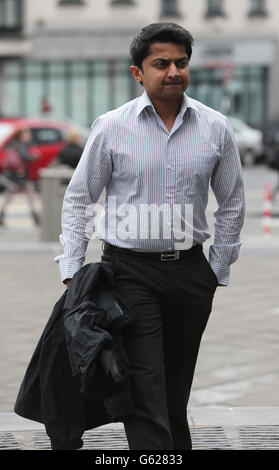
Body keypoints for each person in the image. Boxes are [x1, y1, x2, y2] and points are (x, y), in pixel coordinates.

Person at [55, 23, 245, 450]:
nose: (173, 71)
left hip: (192, 274)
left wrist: (215, 268)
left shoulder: (215, 127)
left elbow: (232, 201)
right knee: (145, 383)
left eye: (181, 62)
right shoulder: (111, 126)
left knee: (174, 386)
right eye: (161, 64)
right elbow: (79, 199)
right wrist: (71, 269)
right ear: (137, 73)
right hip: (129, 272)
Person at [0, 128, 40, 226]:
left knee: (9, 195)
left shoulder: (14, 144)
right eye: (27, 134)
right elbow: (25, 157)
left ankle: (2, 214)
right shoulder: (22, 145)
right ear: (22, 135)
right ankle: (34, 214)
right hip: (19, 176)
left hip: (14, 175)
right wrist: (34, 156)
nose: (29, 136)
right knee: (30, 194)